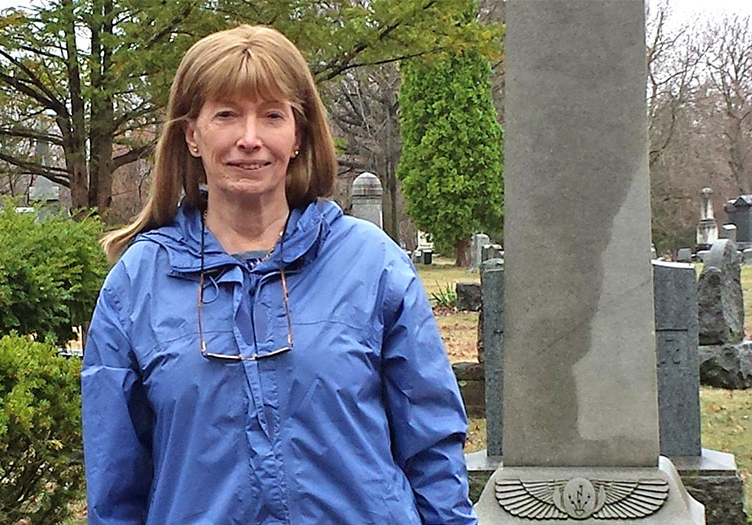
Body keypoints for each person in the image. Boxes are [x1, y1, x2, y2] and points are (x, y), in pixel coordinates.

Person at [81, 24, 476, 525]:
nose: (250, 139)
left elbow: (433, 447)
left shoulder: (371, 266)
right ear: (192, 134)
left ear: (298, 135)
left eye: (271, 115)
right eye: (226, 115)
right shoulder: (137, 285)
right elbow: (116, 483)